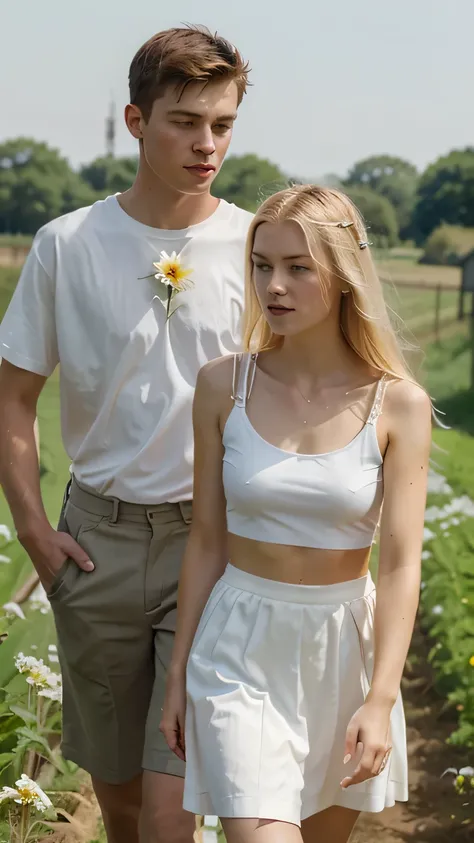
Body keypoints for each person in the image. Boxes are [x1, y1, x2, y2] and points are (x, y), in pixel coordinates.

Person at [0, 25, 252, 843]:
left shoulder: (259, 247)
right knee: (125, 806)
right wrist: (37, 534)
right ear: (136, 121)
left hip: (211, 544)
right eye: (184, 121)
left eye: (221, 123)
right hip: (94, 544)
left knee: (174, 808)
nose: (206, 143)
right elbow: (13, 396)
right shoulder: (66, 245)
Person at [160, 185, 432, 843]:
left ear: (341, 275)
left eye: (297, 267)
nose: (273, 285)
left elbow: (398, 564)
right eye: (261, 264)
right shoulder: (223, 385)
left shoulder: (399, 405)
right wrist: (177, 675)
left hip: (346, 654)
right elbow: (204, 540)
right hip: (239, 651)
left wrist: (381, 695)